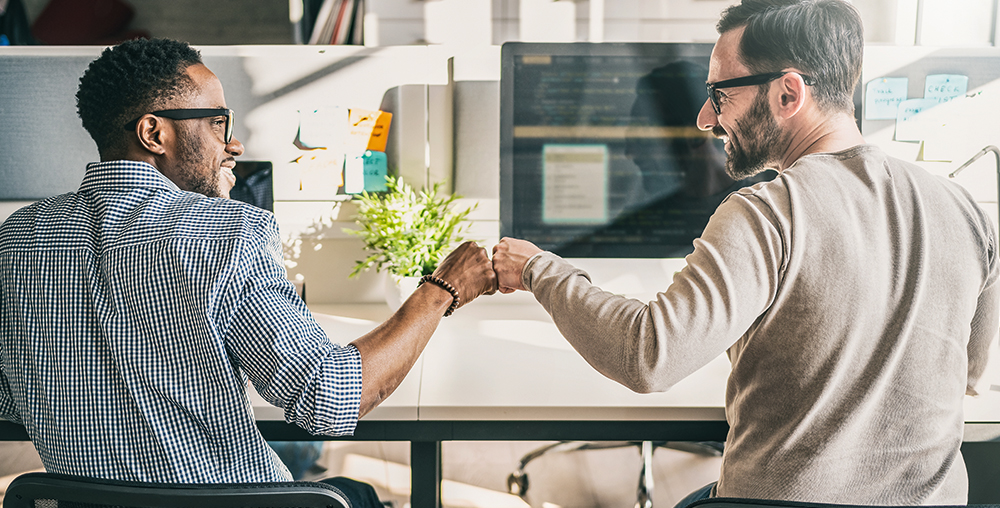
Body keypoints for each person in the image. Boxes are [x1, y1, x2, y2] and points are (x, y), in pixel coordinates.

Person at [492, 0, 999, 505]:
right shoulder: (969, 212)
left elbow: (649, 356)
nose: (704, 118)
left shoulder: (768, 212)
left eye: (719, 93)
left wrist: (538, 269)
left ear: (788, 93)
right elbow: (969, 377)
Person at [0, 37, 497, 505]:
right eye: (219, 122)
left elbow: (7, 403)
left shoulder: (16, 238)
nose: (233, 145)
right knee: (357, 493)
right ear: (155, 132)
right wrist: (442, 290)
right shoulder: (229, 232)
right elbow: (330, 398)